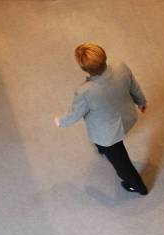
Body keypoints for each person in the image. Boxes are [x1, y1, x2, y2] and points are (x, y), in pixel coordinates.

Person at [54, 43, 149, 195]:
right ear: (104, 56)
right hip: (126, 117)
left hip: (107, 134)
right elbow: (134, 87)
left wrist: (61, 121)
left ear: (84, 68)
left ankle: (137, 186)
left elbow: (75, 114)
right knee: (108, 148)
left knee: (121, 163)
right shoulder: (121, 67)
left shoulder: (84, 91)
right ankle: (102, 149)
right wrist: (141, 102)